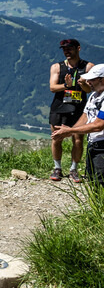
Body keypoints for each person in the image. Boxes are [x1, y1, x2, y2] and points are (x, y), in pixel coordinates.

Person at [49, 39, 95, 182]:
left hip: (79, 107)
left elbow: (90, 89)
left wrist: (82, 85)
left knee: (78, 139)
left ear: (78, 48)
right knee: (57, 138)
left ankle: (73, 169)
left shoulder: (88, 67)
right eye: (64, 49)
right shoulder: (57, 67)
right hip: (60, 106)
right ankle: (57, 168)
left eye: (69, 48)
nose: (66, 51)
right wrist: (66, 85)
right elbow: (52, 87)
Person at [52, 64, 104, 184]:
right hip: (93, 146)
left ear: (102, 79)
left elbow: (99, 125)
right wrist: (69, 129)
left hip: (102, 148)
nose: (88, 82)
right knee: (93, 182)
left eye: (92, 79)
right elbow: (85, 116)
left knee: (100, 183)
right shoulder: (94, 96)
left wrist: (70, 131)